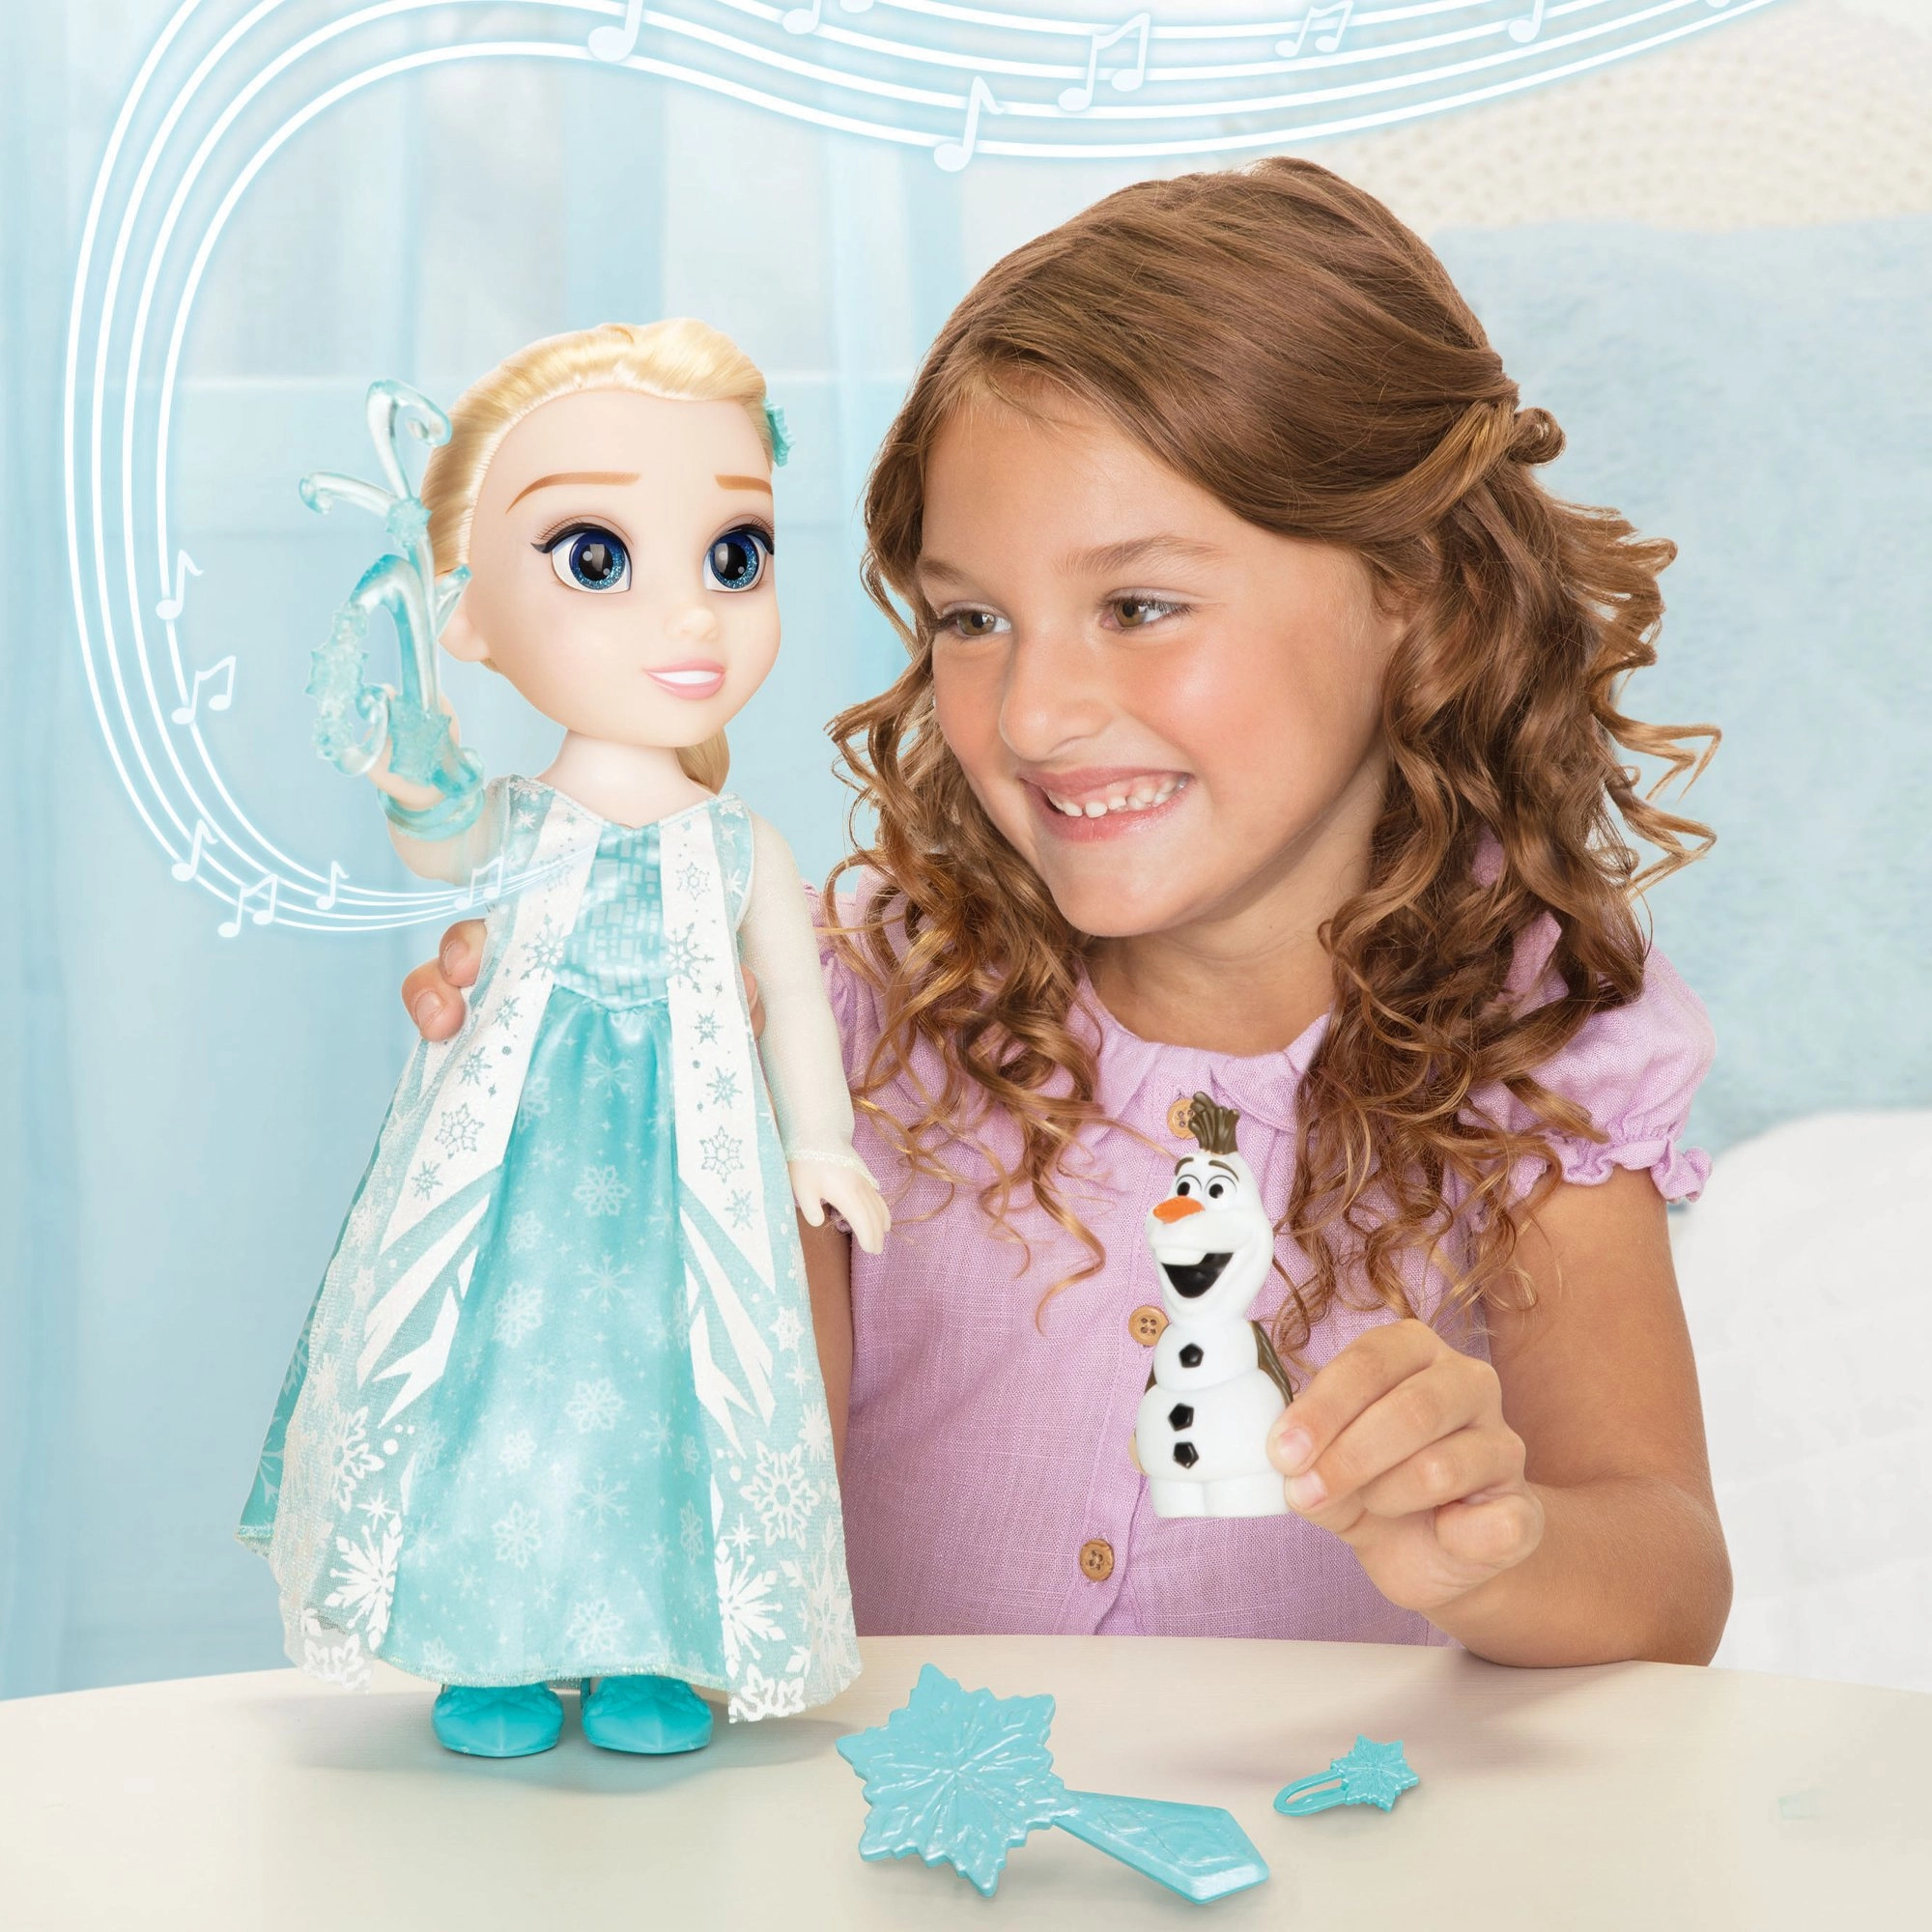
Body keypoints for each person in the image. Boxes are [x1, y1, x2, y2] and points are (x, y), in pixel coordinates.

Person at [398, 160, 1731, 1667]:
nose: (1032, 712)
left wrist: (1501, 1544)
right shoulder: (858, 1020)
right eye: (972, 620)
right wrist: (619, 1105)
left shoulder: (1538, 1045)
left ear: (1416, 591)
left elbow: (1667, 1579)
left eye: (1139, 606)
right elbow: (727, 1495)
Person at [241, 321, 886, 1758]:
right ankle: (494, 1643)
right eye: (598, 559)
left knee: (670, 1403)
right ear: (469, 616)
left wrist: (822, 1145)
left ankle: (652, 1643)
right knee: (504, 1399)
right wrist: (412, 769)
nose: (691, 617)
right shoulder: (520, 822)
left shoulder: (743, 845)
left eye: (734, 556)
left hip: (692, 1193)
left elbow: (795, 1008)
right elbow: (438, 835)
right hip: (511, 1186)